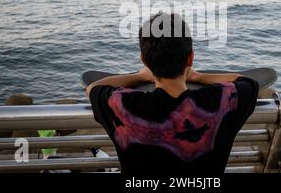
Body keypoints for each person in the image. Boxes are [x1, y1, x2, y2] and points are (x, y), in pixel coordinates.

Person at [86, 12, 259, 174]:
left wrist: (139, 76)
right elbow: (247, 82)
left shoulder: (124, 106)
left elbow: (93, 88)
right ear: (190, 58)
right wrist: (197, 76)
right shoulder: (221, 101)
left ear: (144, 60)